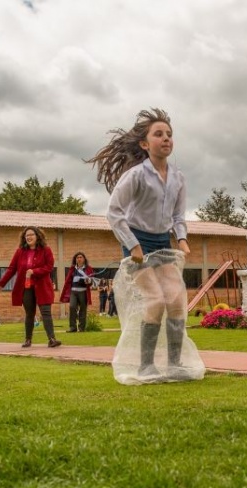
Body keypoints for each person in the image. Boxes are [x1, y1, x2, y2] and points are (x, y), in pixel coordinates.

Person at [87, 108, 196, 382]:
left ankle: (175, 363)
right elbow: (114, 212)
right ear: (145, 144)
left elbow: (177, 216)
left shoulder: (178, 178)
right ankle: (145, 366)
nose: (166, 138)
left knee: (175, 299)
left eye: (169, 134)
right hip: (138, 242)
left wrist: (181, 238)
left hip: (163, 242)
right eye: (159, 134)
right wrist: (133, 245)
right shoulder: (136, 175)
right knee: (156, 299)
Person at [0, 226, 61, 348]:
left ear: (37, 236)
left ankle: (52, 339)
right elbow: (12, 269)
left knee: (46, 312)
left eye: (31, 235)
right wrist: (1, 282)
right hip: (26, 288)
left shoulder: (46, 250)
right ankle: (28, 340)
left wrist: (34, 271)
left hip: (42, 287)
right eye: (27, 236)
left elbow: (49, 267)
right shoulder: (20, 252)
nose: (29, 237)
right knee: (29, 314)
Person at [59, 252, 94, 332]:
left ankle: (81, 328)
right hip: (73, 292)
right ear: (75, 259)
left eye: (81, 257)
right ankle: (73, 327)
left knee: (83, 309)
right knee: (72, 307)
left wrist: (88, 280)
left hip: (83, 292)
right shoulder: (72, 269)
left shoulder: (88, 268)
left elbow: (91, 281)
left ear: (84, 259)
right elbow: (68, 281)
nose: (79, 259)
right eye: (77, 257)